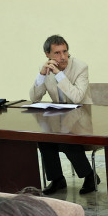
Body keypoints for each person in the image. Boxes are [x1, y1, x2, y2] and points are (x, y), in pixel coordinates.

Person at [29, 34, 99, 195]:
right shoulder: (45, 67)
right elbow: (34, 98)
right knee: (44, 138)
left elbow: (77, 97)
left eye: (65, 52)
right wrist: (41, 75)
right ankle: (57, 179)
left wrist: (59, 74)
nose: (63, 57)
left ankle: (90, 176)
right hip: (59, 119)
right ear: (47, 54)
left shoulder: (81, 67)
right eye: (57, 53)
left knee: (65, 137)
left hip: (82, 117)